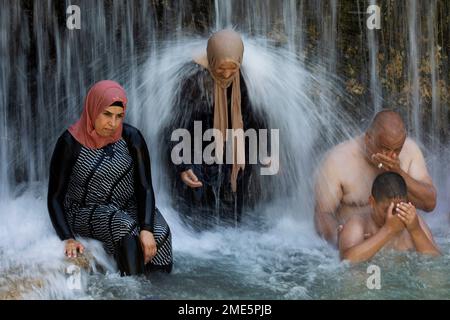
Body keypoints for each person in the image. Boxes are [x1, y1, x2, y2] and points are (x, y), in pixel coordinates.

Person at [47, 80, 172, 276]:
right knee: (124, 227)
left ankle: (163, 291)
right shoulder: (69, 143)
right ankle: (135, 292)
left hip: (126, 205)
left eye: (119, 117)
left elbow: (145, 187)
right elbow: (54, 197)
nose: (113, 124)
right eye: (106, 114)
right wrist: (67, 238)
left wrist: (147, 228)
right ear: (93, 108)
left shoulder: (132, 137)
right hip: (84, 209)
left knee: (160, 234)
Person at [161, 29, 269, 229]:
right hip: (192, 145)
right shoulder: (192, 80)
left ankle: (234, 229)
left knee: (239, 172)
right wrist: (182, 167)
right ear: (211, 61)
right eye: (220, 69)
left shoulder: (243, 78)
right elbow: (174, 126)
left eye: (232, 68)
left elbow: (255, 118)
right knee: (196, 193)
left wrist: (266, 151)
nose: (227, 74)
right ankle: (195, 230)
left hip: (230, 145)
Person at [314, 110, 437, 245]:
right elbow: (322, 214)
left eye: (397, 150)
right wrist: (338, 238)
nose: (390, 156)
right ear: (368, 138)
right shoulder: (338, 160)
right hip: (357, 244)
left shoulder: (410, 151)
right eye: (384, 148)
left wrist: (399, 173)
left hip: (398, 244)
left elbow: (430, 203)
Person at [338, 172, 440, 263]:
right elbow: (346, 261)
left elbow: (436, 261)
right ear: (372, 202)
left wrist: (415, 230)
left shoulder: (412, 220)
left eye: (399, 208)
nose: (394, 216)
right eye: (387, 210)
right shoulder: (359, 223)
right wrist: (388, 230)